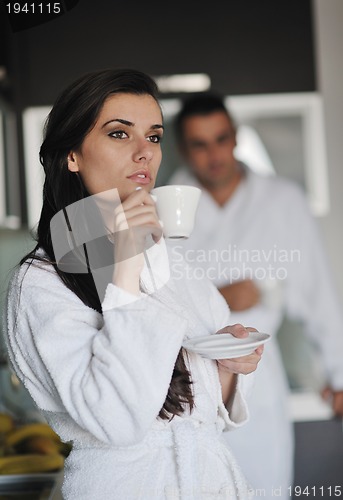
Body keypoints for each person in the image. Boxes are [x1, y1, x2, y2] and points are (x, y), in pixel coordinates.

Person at [3, 69, 265, 500]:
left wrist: (231, 363)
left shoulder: (171, 260)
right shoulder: (40, 281)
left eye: (155, 136)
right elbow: (117, 421)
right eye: (120, 134)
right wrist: (124, 268)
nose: (145, 152)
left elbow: (201, 412)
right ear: (72, 155)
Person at [168, 92, 343, 500]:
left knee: (264, 488)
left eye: (222, 138)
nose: (214, 154)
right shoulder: (165, 208)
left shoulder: (283, 201)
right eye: (200, 143)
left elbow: (319, 296)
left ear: (235, 137)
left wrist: (339, 376)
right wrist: (221, 295)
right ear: (183, 149)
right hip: (186, 380)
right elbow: (153, 303)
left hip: (260, 379)